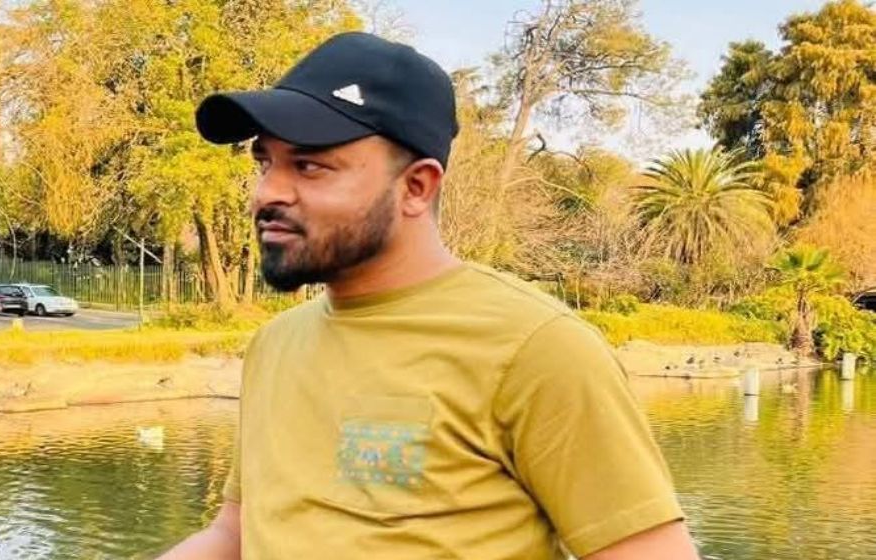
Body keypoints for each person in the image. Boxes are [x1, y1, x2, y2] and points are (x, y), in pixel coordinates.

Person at [159, 31, 698, 560]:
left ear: (416, 187)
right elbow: (236, 532)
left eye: (309, 166)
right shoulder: (273, 345)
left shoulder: (538, 348)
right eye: (265, 163)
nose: (267, 193)